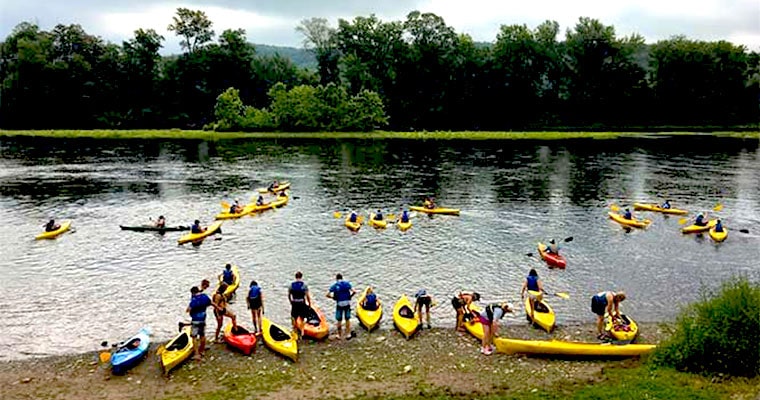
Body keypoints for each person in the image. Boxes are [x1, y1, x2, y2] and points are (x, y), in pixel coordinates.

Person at [327, 273, 356, 340]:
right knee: (347, 319)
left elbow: (327, 295)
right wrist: (350, 297)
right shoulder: (347, 284)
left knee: (339, 320)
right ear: (342, 278)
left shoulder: (335, 285)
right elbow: (354, 291)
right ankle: (348, 334)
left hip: (339, 304)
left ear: (336, 278)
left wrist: (333, 298)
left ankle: (339, 335)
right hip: (347, 303)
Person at [187, 286, 212, 361]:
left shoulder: (194, 300)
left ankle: (196, 354)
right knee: (202, 335)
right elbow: (210, 303)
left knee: (194, 337)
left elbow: (188, 310)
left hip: (195, 320)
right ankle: (202, 350)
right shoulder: (205, 296)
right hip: (203, 318)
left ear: (193, 293)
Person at [289, 271, 312, 337]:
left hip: (294, 303)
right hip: (302, 302)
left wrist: (290, 301)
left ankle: (295, 331)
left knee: (294, 317)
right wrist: (309, 303)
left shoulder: (291, 285)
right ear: (301, 277)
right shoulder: (304, 285)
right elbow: (307, 295)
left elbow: (289, 294)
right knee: (302, 318)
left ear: (295, 277)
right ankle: (302, 332)